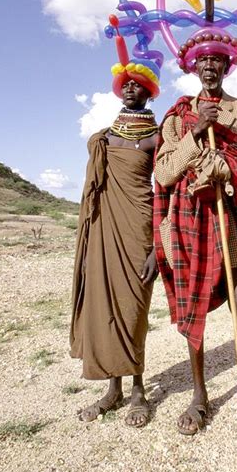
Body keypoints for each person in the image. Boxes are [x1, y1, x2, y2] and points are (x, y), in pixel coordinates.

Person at [154, 29, 237, 435]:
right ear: (194, 67)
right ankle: (199, 396)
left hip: (226, 219)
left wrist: (225, 170)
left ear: (226, 66)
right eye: (203, 61)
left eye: (217, 61)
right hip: (186, 222)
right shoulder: (178, 117)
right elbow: (163, 173)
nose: (209, 66)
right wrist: (196, 134)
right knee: (191, 304)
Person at [70, 36, 162, 428]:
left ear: (149, 90)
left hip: (140, 232)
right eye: (124, 82)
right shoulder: (104, 139)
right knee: (106, 308)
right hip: (105, 234)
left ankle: (139, 390)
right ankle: (113, 389)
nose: (129, 87)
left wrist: (159, 246)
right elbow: (94, 193)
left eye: (137, 83)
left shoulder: (160, 136)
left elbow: (168, 189)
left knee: (134, 310)